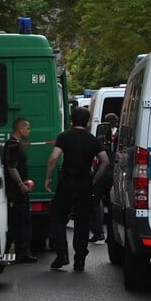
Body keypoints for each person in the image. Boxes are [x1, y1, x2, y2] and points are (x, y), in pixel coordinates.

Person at [45, 106, 110, 272]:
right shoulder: (93, 139)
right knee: (82, 222)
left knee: (58, 217)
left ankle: (62, 254)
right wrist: (95, 178)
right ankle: (79, 259)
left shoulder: (64, 136)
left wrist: (48, 178)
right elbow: (105, 161)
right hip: (85, 185)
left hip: (67, 183)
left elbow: (53, 158)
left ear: (71, 119)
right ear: (87, 121)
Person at [3, 117, 37, 263]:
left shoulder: (17, 144)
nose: (29, 131)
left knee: (22, 220)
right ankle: (17, 251)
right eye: (27, 128)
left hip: (20, 188)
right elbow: (11, 167)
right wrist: (20, 185)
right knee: (19, 220)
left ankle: (20, 251)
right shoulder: (12, 145)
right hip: (16, 191)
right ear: (20, 128)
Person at [89, 112, 119, 243]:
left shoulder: (101, 135)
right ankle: (111, 236)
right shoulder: (121, 135)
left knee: (95, 201)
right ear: (117, 122)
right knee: (113, 204)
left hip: (102, 171)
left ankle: (98, 232)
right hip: (116, 172)